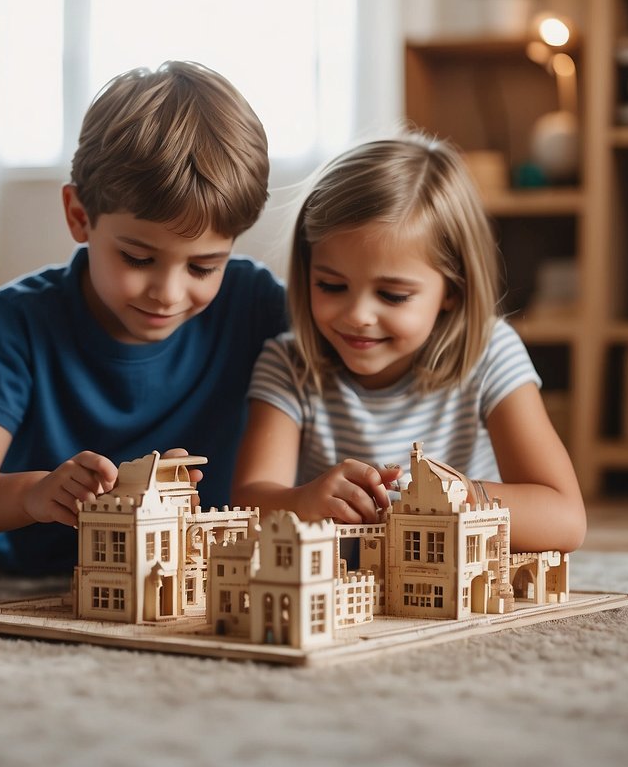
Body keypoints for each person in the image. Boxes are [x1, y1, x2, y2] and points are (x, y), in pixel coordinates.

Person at [0, 61, 287, 574]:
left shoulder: (254, 302)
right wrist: (34, 492)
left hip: (185, 566)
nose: (168, 293)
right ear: (79, 217)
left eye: (204, 266)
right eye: (138, 258)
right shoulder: (22, 318)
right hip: (42, 555)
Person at [231, 132, 585, 554]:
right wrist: (304, 502)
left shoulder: (490, 354)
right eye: (331, 285)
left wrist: (464, 496)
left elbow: (566, 520)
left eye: (392, 295)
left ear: (451, 289)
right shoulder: (288, 364)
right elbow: (248, 506)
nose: (358, 315)